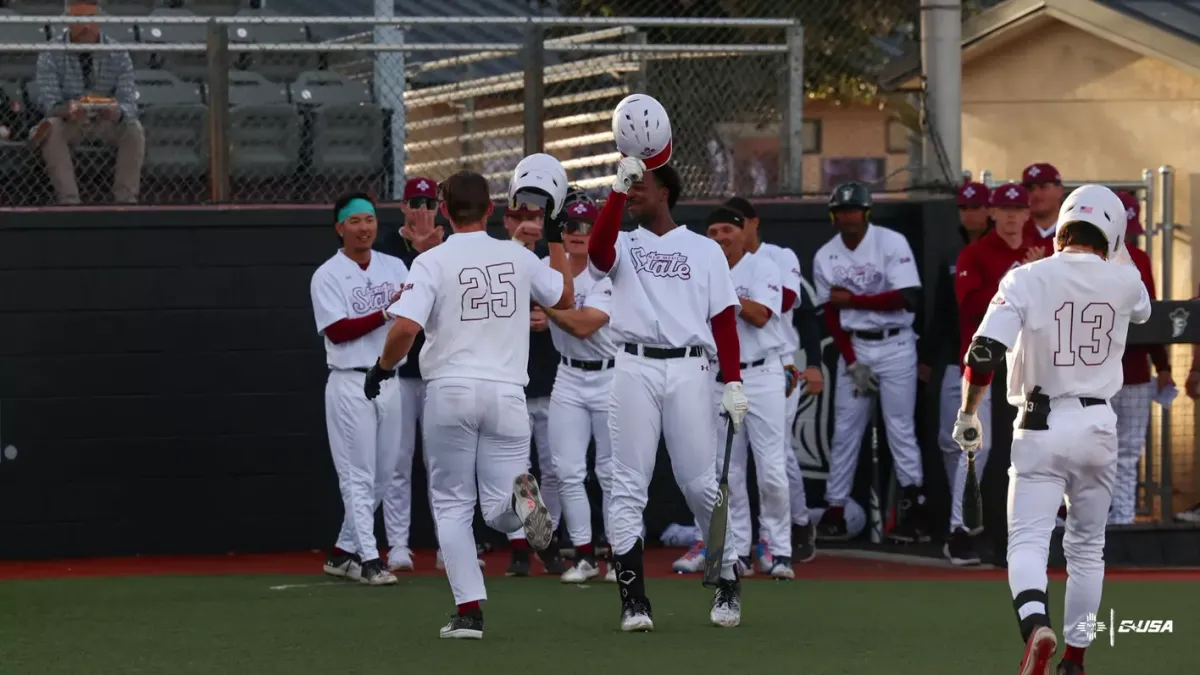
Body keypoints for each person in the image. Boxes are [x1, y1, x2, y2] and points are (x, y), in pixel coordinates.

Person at [365, 167, 575, 639]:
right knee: (497, 509)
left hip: (452, 391)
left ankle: (469, 613)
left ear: (442, 209)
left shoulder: (432, 261)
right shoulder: (517, 256)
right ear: (491, 210)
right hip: (507, 394)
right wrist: (557, 236)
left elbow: (404, 329)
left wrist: (381, 368)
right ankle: (525, 504)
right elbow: (565, 294)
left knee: (453, 505)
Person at [952, 184, 1151, 675]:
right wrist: (1118, 246)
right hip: (1099, 423)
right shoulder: (1125, 282)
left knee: (1027, 542)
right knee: (1087, 548)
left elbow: (982, 355)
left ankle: (1036, 624)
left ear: (1060, 225)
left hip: (1039, 423)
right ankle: (1076, 662)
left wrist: (968, 413)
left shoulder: (1023, 277)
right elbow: (1143, 307)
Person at [587, 157, 749, 631]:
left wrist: (734, 380)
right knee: (627, 486)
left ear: (666, 193)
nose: (633, 191)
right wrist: (615, 192)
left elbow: (723, 319)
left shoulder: (704, 249)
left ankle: (727, 579)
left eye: (641, 186)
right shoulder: (622, 240)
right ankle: (633, 600)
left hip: (689, 369)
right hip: (633, 365)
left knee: (700, 484)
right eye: (628, 186)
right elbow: (597, 256)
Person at [375, 177, 487, 573]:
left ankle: (451, 548)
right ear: (402, 206)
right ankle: (399, 545)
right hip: (404, 370)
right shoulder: (386, 247)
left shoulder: (452, 244)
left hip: (445, 367)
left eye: (429, 200)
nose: (422, 208)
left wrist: (432, 249)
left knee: (448, 462)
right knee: (398, 458)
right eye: (414, 201)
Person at [812, 181, 926, 543]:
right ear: (834, 216)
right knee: (846, 430)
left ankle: (914, 508)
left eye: (854, 210)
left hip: (896, 345)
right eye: (842, 211)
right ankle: (836, 509)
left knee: (900, 428)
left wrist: (854, 301)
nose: (849, 217)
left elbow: (908, 298)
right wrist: (850, 361)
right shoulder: (825, 256)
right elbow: (830, 314)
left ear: (866, 213)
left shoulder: (890, 242)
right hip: (857, 346)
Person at [310, 193, 410, 587]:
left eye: (369, 219)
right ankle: (369, 558)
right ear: (339, 228)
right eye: (355, 221)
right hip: (351, 379)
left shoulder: (394, 266)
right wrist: (386, 311)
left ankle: (341, 553)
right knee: (357, 474)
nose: (364, 227)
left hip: (390, 379)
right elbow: (337, 329)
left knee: (383, 474)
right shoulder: (327, 274)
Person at [942, 182, 1039, 565]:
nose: (1012, 216)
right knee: (974, 448)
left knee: (1027, 450)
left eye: (1018, 209)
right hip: (984, 364)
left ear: (1028, 213)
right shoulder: (976, 252)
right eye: (1004, 208)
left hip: (1028, 366)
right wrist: (1021, 279)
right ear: (992, 213)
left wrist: (1033, 271)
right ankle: (959, 531)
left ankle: (1022, 533)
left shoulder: (1041, 254)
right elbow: (970, 306)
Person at [697, 205, 793, 578]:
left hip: (763, 372)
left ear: (742, 232)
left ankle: (777, 547)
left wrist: (723, 294)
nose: (721, 238)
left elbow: (761, 314)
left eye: (727, 230)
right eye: (713, 232)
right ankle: (737, 551)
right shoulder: (702, 269)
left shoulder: (762, 265)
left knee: (771, 469)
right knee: (728, 472)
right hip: (719, 375)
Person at [729, 195, 822, 565]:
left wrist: (813, 363)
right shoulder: (719, 261)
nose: (732, 231)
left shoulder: (778, 256)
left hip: (778, 361)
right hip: (732, 367)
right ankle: (749, 540)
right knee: (736, 461)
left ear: (753, 223)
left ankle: (790, 529)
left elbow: (783, 304)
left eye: (738, 222)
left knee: (775, 455)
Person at [542, 192, 619, 584]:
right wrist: (533, 315)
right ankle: (585, 556)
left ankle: (618, 555)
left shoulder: (607, 270)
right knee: (568, 470)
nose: (578, 233)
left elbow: (586, 323)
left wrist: (545, 308)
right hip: (568, 375)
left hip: (610, 374)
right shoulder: (545, 267)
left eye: (587, 226)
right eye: (571, 224)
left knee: (610, 473)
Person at [503, 186, 567, 577]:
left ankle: (550, 538)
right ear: (507, 221)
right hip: (512, 383)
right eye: (518, 216)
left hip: (553, 378)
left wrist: (550, 317)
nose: (528, 223)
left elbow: (567, 301)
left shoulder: (548, 263)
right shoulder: (502, 260)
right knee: (517, 471)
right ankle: (520, 546)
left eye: (535, 216)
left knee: (556, 466)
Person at [34, 0, 144, 204]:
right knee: (52, 128)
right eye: (79, 19)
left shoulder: (118, 52)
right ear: (68, 21)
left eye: (91, 19)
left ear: (99, 19)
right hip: (71, 123)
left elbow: (129, 103)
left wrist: (117, 111)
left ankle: (126, 201)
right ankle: (69, 202)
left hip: (105, 122)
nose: (86, 26)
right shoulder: (50, 53)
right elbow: (48, 104)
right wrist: (67, 110)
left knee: (133, 128)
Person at [1109, 191, 1173, 525]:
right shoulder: (1084, 258)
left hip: (1133, 373)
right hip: (1094, 374)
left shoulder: (1140, 258)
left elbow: (1152, 316)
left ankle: (1121, 520)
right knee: (1090, 454)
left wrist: (1162, 365)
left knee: (1128, 453)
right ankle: (1089, 522)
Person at [1022, 163, 1064, 258]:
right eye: (1030, 189)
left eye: (1043, 187)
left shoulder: (1075, 231)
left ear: (1060, 190)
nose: (1036, 194)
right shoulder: (1014, 233)